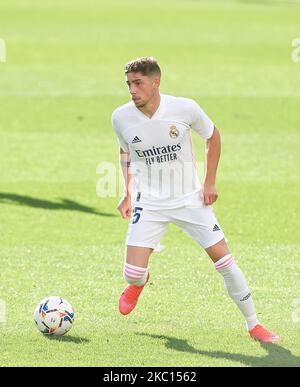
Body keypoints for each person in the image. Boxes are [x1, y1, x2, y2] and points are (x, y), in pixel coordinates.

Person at [111, 57, 279, 343]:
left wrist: (209, 182)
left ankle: (254, 324)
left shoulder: (184, 108)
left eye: (138, 83)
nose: (133, 90)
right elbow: (126, 152)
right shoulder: (120, 117)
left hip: (190, 200)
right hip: (149, 203)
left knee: (224, 261)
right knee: (132, 274)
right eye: (129, 84)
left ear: (156, 82)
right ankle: (140, 283)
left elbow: (213, 136)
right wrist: (127, 193)